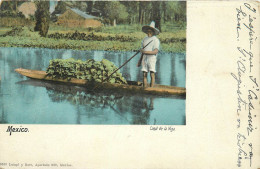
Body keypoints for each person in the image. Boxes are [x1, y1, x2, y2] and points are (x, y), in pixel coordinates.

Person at [137, 21, 160, 88]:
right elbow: (143, 51)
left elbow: (155, 51)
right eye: (148, 31)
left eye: (150, 31)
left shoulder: (155, 40)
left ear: (153, 32)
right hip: (144, 58)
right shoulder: (144, 39)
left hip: (151, 58)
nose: (149, 33)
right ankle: (145, 89)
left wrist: (145, 52)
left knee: (152, 74)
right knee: (144, 74)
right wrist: (139, 60)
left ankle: (151, 89)